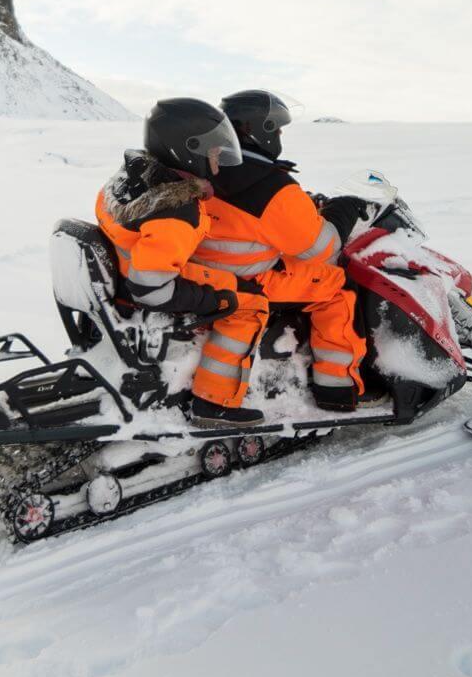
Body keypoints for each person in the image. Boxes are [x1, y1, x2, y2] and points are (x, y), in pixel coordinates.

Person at [95, 98, 271, 426]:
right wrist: (212, 300)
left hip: (127, 265)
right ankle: (214, 400)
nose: (219, 160)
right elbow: (151, 290)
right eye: (214, 152)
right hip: (145, 281)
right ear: (188, 151)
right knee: (251, 303)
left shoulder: (132, 179)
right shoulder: (177, 213)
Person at [199, 89, 370, 412]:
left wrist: (303, 203)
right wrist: (343, 212)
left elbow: (251, 218)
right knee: (338, 286)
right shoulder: (271, 186)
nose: (279, 135)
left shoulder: (206, 166)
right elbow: (323, 247)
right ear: (257, 130)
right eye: (276, 129)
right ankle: (336, 387)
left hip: (205, 269)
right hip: (251, 278)